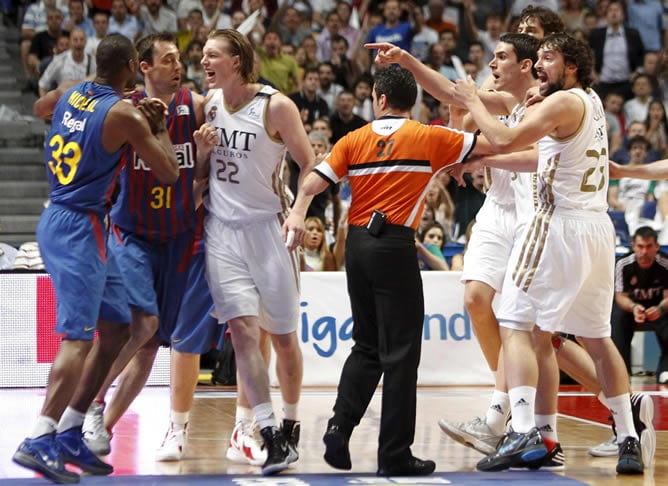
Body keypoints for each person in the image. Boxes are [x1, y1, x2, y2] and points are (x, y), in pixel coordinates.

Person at [452, 32, 646, 474]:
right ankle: (628, 436)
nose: (539, 66)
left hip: (554, 226)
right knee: (596, 339)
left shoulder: (562, 103)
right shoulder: (592, 102)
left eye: (549, 58)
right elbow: (532, 157)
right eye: (537, 58)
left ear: (572, 66)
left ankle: (523, 429)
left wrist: (472, 100)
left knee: (515, 323)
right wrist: (483, 162)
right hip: (597, 231)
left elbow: (502, 138)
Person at [299, 64, 490, 476]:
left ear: (379, 100)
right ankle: (394, 454)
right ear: (411, 102)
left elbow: (315, 181)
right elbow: (489, 144)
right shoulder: (428, 136)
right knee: (401, 354)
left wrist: (297, 211)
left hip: (356, 245)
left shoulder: (353, 139)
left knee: (366, 343)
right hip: (394, 244)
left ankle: (339, 425)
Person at [12, 33, 179, 484]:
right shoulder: (125, 113)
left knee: (118, 326)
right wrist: (157, 125)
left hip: (77, 220)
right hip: (77, 226)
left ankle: (69, 431)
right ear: (130, 66)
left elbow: (39, 108)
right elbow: (168, 172)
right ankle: (38, 437)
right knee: (77, 340)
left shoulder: (71, 91)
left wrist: (100, 94)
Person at [79, 33, 208, 462]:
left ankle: (102, 427)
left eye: (179, 59)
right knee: (142, 325)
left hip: (179, 238)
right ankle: (89, 407)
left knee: (152, 344)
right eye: (167, 59)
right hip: (132, 234)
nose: (178, 65)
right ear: (144, 67)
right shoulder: (123, 109)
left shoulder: (199, 106)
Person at [195, 28, 315, 476]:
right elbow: (206, 173)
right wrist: (204, 154)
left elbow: (310, 163)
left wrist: (300, 211)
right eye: (203, 55)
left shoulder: (275, 106)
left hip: (270, 230)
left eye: (212, 55)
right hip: (222, 232)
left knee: (282, 339)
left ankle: (290, 421)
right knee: (244, 333)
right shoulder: (207, 105)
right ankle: (266, 434)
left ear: (237, 61)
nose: (204, 61)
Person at [613, 226, 668, 384]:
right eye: (640, 247)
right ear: (633, 246)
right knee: (616, 318)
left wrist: (660, 308)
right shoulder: (623, 264)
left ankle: (665, 370)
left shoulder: (665, 264)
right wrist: (633, 307)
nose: (644, 252)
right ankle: (622, 372)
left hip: (658, 307)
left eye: (649, 246)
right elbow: (620, 297)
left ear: (656, 246)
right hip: (631, 308)